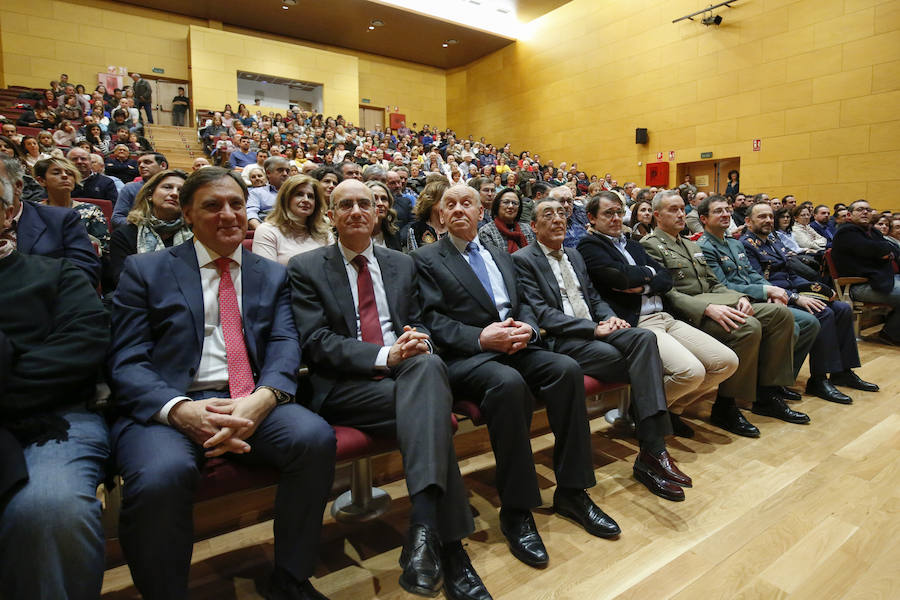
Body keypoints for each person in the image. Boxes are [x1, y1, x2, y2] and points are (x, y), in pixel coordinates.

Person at [108, 167, 336, 599]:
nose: (229, 214)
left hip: (250, 395)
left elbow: (286, 342)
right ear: (188, 215)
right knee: (162, 475)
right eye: (213, 206)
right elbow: (127, 359)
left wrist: (264, 399)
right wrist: (180, 410)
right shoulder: (145, 270)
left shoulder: (270, 274)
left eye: (236, 204)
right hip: (171, 405)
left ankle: (290, 577)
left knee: (313, 437)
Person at [288, 179, 491, 600]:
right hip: (344, 386)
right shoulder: (305, 268)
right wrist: (386, 357)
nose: (358, 210)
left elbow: (419, 323)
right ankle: (446, 545)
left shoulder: (400, 264)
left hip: (406, 378)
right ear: (331, 215)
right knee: (432, 409)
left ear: (378, 212)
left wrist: (415, 342)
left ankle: (424, 534)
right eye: (346, 204)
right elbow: (317, 342)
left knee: (429, 362)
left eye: (366, 203)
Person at [413, 185, 622, 571]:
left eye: (467, 203)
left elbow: (523, 303)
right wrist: (480, 337)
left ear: (480, 212)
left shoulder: (499, 255)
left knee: (566, 369)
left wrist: (528, 328)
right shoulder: (425, 258)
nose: (459, 209)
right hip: (466, 356)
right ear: (440, 215)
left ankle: (573, 492)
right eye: (450, 204)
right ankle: (518, 508)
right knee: (507, 386)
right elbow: (430, 320)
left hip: (516, 344)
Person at [514, 194, 694, 502]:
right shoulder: (523, 260)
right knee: (642, 362)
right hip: (564, 339)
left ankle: (653, 449)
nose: (558, 219)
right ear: (533, 225)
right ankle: (652, 454)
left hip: (596, 331)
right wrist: (592, 328)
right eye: (548, 215)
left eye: (561, 214)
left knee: (644, 339)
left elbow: (593, 298)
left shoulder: (574, 254)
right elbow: (542, 312)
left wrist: (610, 318)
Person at [0, 175, 111, 600]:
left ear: (10, 212)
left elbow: (81, 349)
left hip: (55, 417)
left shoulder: (58, 273)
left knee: (49, 510)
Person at [640, 190, 804, 437]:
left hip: (716, 302)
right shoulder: (649, 246)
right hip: (687, 313)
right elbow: (667, 293)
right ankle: (726, 405)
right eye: (672, 209)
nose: (680, 214)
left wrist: (739, 298)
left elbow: (714, 282)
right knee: (748, 327)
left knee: (780, 315)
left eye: (681, 208)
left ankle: (767, 392)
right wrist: (707, 308)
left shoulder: (690, 244)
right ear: (656, 215)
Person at [577, 191, 738, 439]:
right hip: (639, 322)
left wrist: (643, 281)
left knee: (727, 362)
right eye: (608, 213)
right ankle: (642, 412)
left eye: (619, 212)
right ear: (591, 217)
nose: (616, 218)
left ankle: (671, 410)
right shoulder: (589, 246)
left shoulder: (631, 244)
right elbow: (619, 278)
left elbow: (666, 279)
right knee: (690, 373)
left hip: (665, 316)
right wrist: (650, 274)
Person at [739, 202, 878, 400]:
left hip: (791, 290)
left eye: (770, 216)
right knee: (823, 312)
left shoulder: (772, 241)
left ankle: (843, 372)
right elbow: (760, 282)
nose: (768, 220)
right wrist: (797, 297)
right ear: (748, 221)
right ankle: (819, 379)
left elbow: (790, 274)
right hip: (774, 297)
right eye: (762, 217)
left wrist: (819, 287)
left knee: (842, 309)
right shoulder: (746, 245)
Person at [832, 199, 900, 346]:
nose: (865, 212)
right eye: (860, 209)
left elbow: (893, 249)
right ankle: (890, 334)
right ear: (849, 215)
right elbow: (875, 249)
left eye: (868, 210)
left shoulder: (873, 231)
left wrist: (882, 251)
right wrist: (882, 251)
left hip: (880, 280)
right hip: (858, 286)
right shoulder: (846, 231)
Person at [109, 169, 191, 288]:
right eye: (167, 187)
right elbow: (124, 281)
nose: (174, 193)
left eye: (181, 191)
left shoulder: (197, 234)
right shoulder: (125, 235)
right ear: (150, 195)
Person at [34, 157, 110, 257]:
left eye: (70, 173)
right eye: (56, 173)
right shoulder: (33, 211)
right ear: (41, 181)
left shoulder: (91, 210)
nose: (65, 176)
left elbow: (103, 250)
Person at [252, 174, 333, 265]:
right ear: (286, 199)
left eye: (310, 196)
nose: (306, 200)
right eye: (299, 194)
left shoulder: (324, 233)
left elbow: (334, 270)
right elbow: (268, 275)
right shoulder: (267, 231)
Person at [111, 151, 169, 228]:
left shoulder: (175, 189)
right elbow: (117, 218)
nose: (141, 166)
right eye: (139, 163)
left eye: (147, 162)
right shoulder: (129, 188)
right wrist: (142, 227)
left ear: (163, 165)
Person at [477, 187, 536, 253]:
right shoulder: (487, 231)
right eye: (506, 202)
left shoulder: (527, 229)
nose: (510, 206)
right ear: (497, 205)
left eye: (514, 203)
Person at [247, 156, 291, 229]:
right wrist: (262, 231)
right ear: (268, 173)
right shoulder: (256, 193)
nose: (285, 174)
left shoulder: (297, 192)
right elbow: (250, 214)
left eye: (287, 171)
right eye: (280, 170)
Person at [407, 180, 450, 251]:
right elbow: (415, 258)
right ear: (431, 200)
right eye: (444, 198)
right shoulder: (416, 229)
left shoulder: (455, 226)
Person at [367, 180, 402, 250]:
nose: (380, 203)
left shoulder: (394, 234)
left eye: (384, 199)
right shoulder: (355, 236)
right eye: (374, 199)